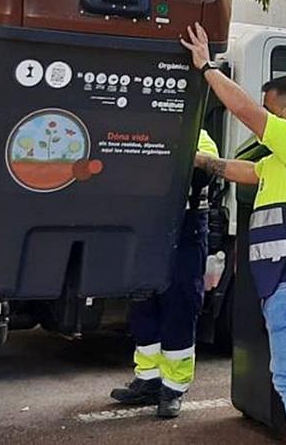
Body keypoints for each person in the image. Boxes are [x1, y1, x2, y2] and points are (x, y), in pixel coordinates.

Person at [180, 22, 286, 445]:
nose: (260, 124)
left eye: (269, 112)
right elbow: (244, 170)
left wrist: (207, 68)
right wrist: (197, 159)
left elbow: (247, 112)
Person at [110, 129, 220, 418]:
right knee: (143, 304)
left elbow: (205, 171)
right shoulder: (140, 131)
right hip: (143, 228)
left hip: (185, 229)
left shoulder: (199, 136)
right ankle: (148, 380)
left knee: (179, 306)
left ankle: (173, 388)